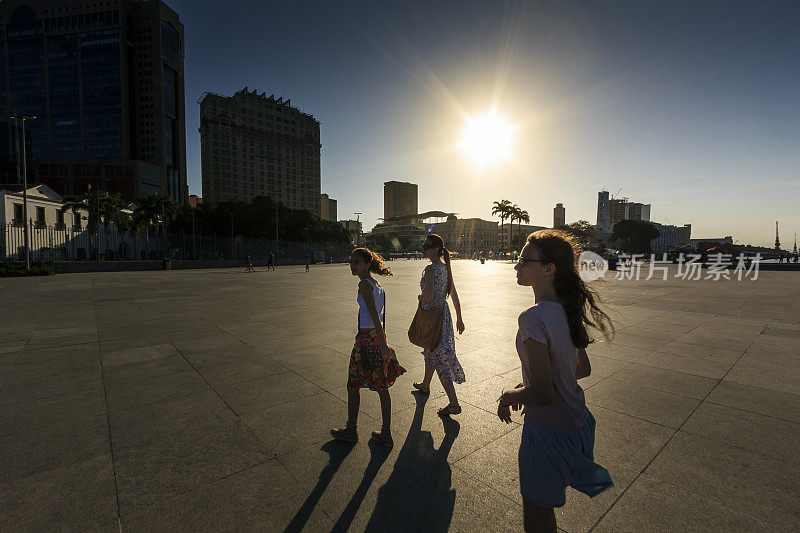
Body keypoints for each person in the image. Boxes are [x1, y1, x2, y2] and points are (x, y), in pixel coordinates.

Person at [497, 229, 614, 533]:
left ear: (548, 269)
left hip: (547, 431)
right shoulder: (568, 309)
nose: (517, 265)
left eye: (524, 260)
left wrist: (511, 394)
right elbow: (582, 368)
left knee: (537, 516)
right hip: (578, 423)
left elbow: (545, 393)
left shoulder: (533, 318)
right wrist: (537, 384)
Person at [331, 248, 406, 448]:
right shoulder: (377, 284)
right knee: (381, 386)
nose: (352, 265)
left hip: (367, 338)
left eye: (357, 262)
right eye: (351, 261)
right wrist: (383, 341)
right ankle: (386, 433)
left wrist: (382, 343)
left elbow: (374, 315)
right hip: (376, 337)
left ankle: (351, 429)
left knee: (353, 384)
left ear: (366, 264)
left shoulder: (364, 285)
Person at [412, 234, 466, 417]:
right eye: (423, 245)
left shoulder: (430, 269)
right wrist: (459, 318)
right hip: (443, 315)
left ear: (435, 249)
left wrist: (419, 297)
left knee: (438, 357)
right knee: (431, 351)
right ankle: (426, 385)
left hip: (430, 317)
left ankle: (454, 403)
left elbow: (427, 296)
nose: (423, 249)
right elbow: (454, 294)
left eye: (426, 246)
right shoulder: (445, 268)